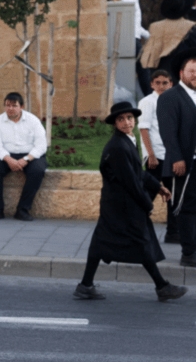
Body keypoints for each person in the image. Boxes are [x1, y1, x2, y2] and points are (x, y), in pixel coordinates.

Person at [74, 102, 187, 302]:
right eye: (121, 119)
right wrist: (147, 204)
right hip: (121, 206)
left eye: (129, 118)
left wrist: (156, 186)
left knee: (101, 243)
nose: (126, 122)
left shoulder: (127, 140)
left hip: (118, 204)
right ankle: (162, 287)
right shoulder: (117, 147)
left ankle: (85, 285)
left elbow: (137, 171)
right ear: (115, 123)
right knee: (140, 241)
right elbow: (131, 181)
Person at [157, 53, 196, 266]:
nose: (195, 75)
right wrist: (177, 158)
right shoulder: (170, 97)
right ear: (182, 74)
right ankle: (189, 253)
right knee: (185, 207)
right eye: (192, 72)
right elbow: (168, 131)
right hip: (184, 164)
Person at [0, 92, 48, 221]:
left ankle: (23, 209)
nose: (10, 108)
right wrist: (9, 159)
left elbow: (41, 145)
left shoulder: (33, 120)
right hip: (7, 155)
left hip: (30, 155)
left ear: (21, 107)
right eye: (7, 105)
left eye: (14, 105)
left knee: (38, 170)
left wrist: (26, 159)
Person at [138, 69, 178, 243]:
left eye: (165, 83)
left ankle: (173, 233)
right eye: (158, 83)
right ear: (152, 84)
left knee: (173, 196)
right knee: (148, 195)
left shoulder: (174, 100)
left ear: (171, 84)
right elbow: (144, 128)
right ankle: (136, 230)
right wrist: (150, 155)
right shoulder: (148, 102)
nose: (161, 86)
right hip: (156, 157)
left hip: (171, 155)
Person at [140, 0, 196, 81]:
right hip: (183, 75)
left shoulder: (155, 27)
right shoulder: (190, 27)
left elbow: (150, 53)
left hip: (160, 75)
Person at [122, 0, 152, 96]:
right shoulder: (130, 1)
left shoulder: (129, 0)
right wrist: (149, 36)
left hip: (130, 39)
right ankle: (149, 96)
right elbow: (134, 27)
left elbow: (136, 25)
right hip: (132, 40)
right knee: (144, 70)